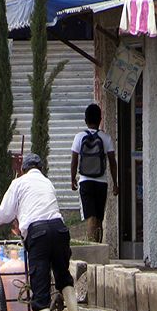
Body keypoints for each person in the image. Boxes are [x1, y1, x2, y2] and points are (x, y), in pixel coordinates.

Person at [0, 153, 79, 311]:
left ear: (23, 170)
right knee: (63, 276)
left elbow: (4, 214)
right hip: (59, 230)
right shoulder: (47, 182)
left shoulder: (18, 183)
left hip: (38, 234)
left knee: (40, 287)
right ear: (41, 169)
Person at [70, 103, 118, 243]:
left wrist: (72, 179)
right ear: (100, 119)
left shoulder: (79, 137)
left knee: (90, 217)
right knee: (99, 218)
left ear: (85, 120)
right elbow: (112, 163)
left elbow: (74, 161)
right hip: (101, 183)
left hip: (85, 181)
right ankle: (98, 247)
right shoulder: (106, 138)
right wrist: (115, 183)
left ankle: (93, 251)